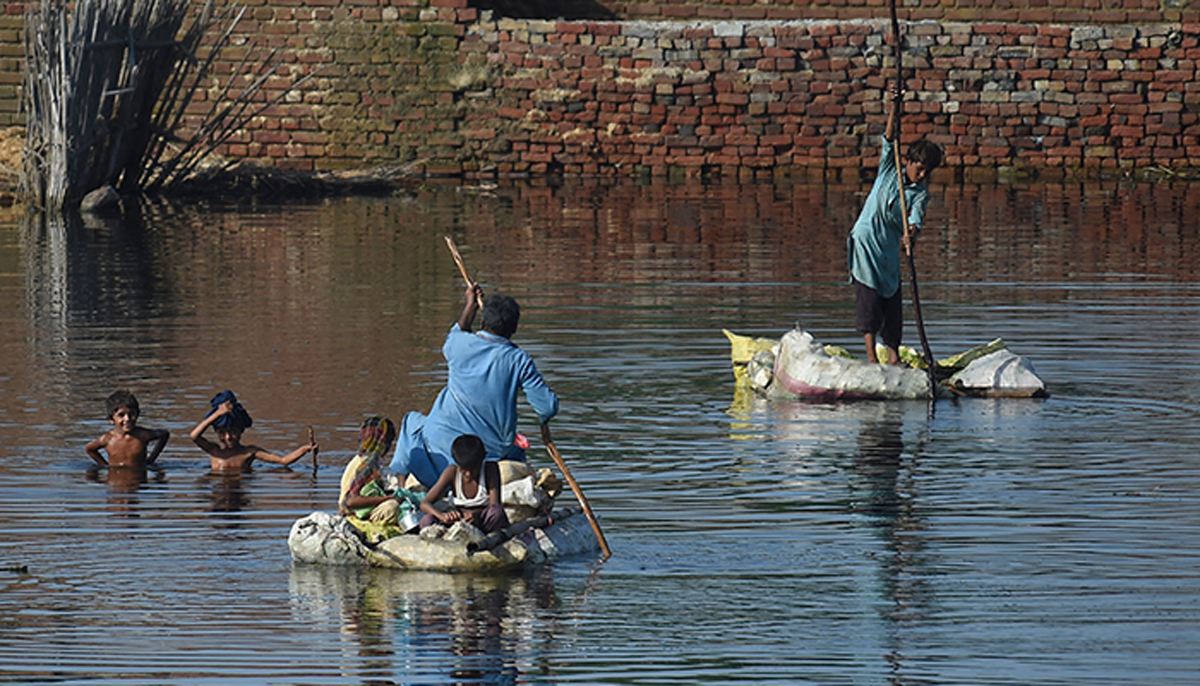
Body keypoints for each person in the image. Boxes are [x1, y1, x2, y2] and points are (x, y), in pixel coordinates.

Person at [391, 283, 559, 487]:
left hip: (438, 456)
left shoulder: (458, 345)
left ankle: (398, 482)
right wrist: (544, 418)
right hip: (486, 459)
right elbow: (547, 407)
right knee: (516, 450)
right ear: (513, 328)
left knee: (411, 421)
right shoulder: (518, 360)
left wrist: (469, 304)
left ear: (482, 321)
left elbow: (459, 329)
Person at [847, 82, 943, 365]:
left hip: (888, 250)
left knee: (891, 297)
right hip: (866, 242)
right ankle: (870, 358)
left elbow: (915, 219)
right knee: (869, 297)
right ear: (909, 161)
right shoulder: (890, 169)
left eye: (927, 171)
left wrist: (911, 235)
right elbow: (889, 137)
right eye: (919, 167)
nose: (921, 173)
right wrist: (895, 105)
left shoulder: (920, 193)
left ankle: (893, 356)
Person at [189, 390, 316, 473]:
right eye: (222, 433)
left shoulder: (249, 452)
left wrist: (304, 449)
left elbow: (283, 460)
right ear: (216, 432)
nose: (228, 437)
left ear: (241, 431)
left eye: (233, 432)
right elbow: (194, 436)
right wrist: (217, 414)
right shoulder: (214, 450)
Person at [419, 434, 510, 534]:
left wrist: (477, 516)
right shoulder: (452, 472)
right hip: (458, 521)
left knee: (496, 513)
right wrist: (444, 517)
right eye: (464, 469)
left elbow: (495, 505)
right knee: (427, 520)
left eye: (474, 469)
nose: (468, 474)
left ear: (483, 458)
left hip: (483, 522)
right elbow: (425, 504)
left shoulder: (490, 469)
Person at [338, 415, 413, 524]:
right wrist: (388, 498)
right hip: (352, 514)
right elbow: (351, 501)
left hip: (356, 510)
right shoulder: (368, 464)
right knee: (392, 507)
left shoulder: (363, 459)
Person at [86, 390, 170, 470]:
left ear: (138, 414)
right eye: (121, 415)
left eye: (131, 414)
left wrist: (151, 460)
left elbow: (164, 434)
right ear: (111, 420)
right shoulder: (108, 439)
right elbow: (90, 449)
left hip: (139, 483)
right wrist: (105, 466)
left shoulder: (143, 435)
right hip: (116, 482)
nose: (127, 419)